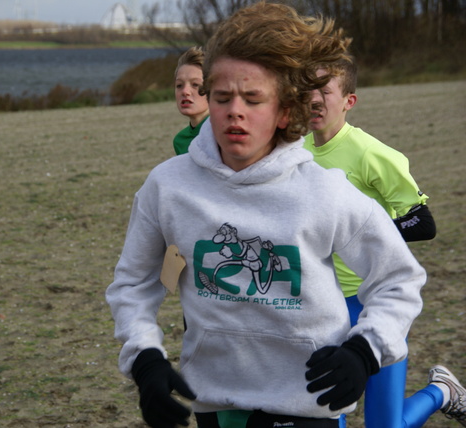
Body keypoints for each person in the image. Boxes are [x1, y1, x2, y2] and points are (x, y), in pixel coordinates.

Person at [106, 2, 428, 427]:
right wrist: (144, 359)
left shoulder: (325, 192)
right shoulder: (166, 188)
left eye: (253, 99)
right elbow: (134, 282)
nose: (234, 111)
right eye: (222, 97)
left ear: (285, 112)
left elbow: (399, 279)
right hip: (214, 403)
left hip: (306, 404)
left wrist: (365, 350)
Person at [304, 58, 466, 428]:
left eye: (324, 91)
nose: (314, 99)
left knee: (385, 425)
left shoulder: (370, 153)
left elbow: (423, 223)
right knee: (326, 418)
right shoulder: (295, 153)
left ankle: (442, 392)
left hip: (375, 302)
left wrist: (361, 235)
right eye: (307, 90)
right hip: (320, 306)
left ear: (349, 101)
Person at [173, 46, 209, 155]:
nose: (185, 91)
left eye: (195, 85)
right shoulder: (180, 140)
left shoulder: (224, 136)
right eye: (179, 85)